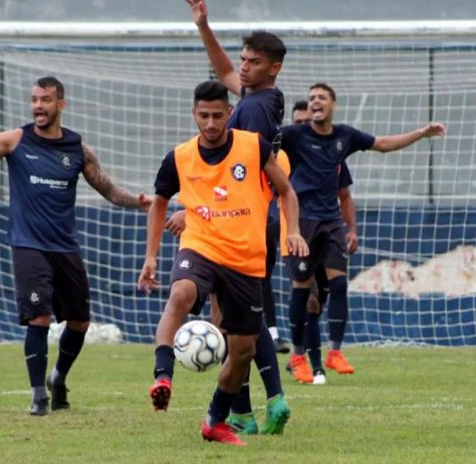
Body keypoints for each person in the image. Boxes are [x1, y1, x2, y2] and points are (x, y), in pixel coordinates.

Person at [0, 76, 152, 416]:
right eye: (35, 99)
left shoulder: (78, 150)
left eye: (46, 100)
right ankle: (38, 396)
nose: (38, 105)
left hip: (65, 248)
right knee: (39, 317)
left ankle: (58, 377)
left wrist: (139, 202)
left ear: (61, 105)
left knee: (80, 322)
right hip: (28, 245)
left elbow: (109, 190)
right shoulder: (15, 141)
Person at [137, 80, 307, 445]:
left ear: (230, 114)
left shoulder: (253, 146)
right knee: (181, 293)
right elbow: (159, 203)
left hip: (245, 258)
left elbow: (286, 190)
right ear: (193, 114)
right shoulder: (180, 156)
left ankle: (215, 420)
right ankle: (163, 376)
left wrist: (293, 230)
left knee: (243, 349)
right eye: (204, 116)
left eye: (217, 115)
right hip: (200, 245)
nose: (211, 124)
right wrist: (150, 256)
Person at [281, 83, 446, 378]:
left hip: (331, 221)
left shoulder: (345, 135)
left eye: (321, 97)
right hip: (302, 221)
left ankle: (335, 352)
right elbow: (258, 142)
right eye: (312, 98)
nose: (315, 102)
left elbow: (383, 143)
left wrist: (421, 133)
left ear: (333, 105)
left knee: (340, 284)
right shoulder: (294, 135)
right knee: (302, 288)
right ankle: (298, 356)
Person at [181, 0, 292, 435]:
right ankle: (269, 400)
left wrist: (197, 212)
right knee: (244, 314)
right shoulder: (261, 96)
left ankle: (244, 412)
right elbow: (226, 72)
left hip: (240, 221)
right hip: (249, 219)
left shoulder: (254, 112)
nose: (243, 67)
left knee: (234, 318)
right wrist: (204, 27)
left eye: (254, 62)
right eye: (244, 59)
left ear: (274, 67)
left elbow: (240, 171)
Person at [284, 101, 358, 386]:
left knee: (325, 296)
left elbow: (345, 194)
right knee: (309, 298)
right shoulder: (283, 154)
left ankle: (319, 361)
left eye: (307, 121)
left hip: (327, 230)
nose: (305, 126)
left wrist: (351, 229)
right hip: (297, 231)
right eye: (299, 122)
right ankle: (304, 360)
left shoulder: (331, 158)